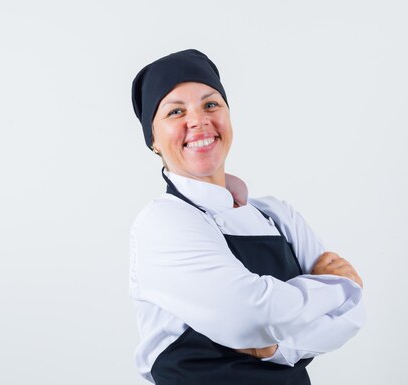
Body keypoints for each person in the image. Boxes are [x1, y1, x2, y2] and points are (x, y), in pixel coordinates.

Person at [129, 49, 366, 385]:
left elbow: (352, 317)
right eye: (175, 111)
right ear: (153, 140)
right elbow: (248, 316)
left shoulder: (276, 213)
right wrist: (338, 284)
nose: (198, 120)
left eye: (211, 105)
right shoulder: (163, 223)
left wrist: (273, 347)